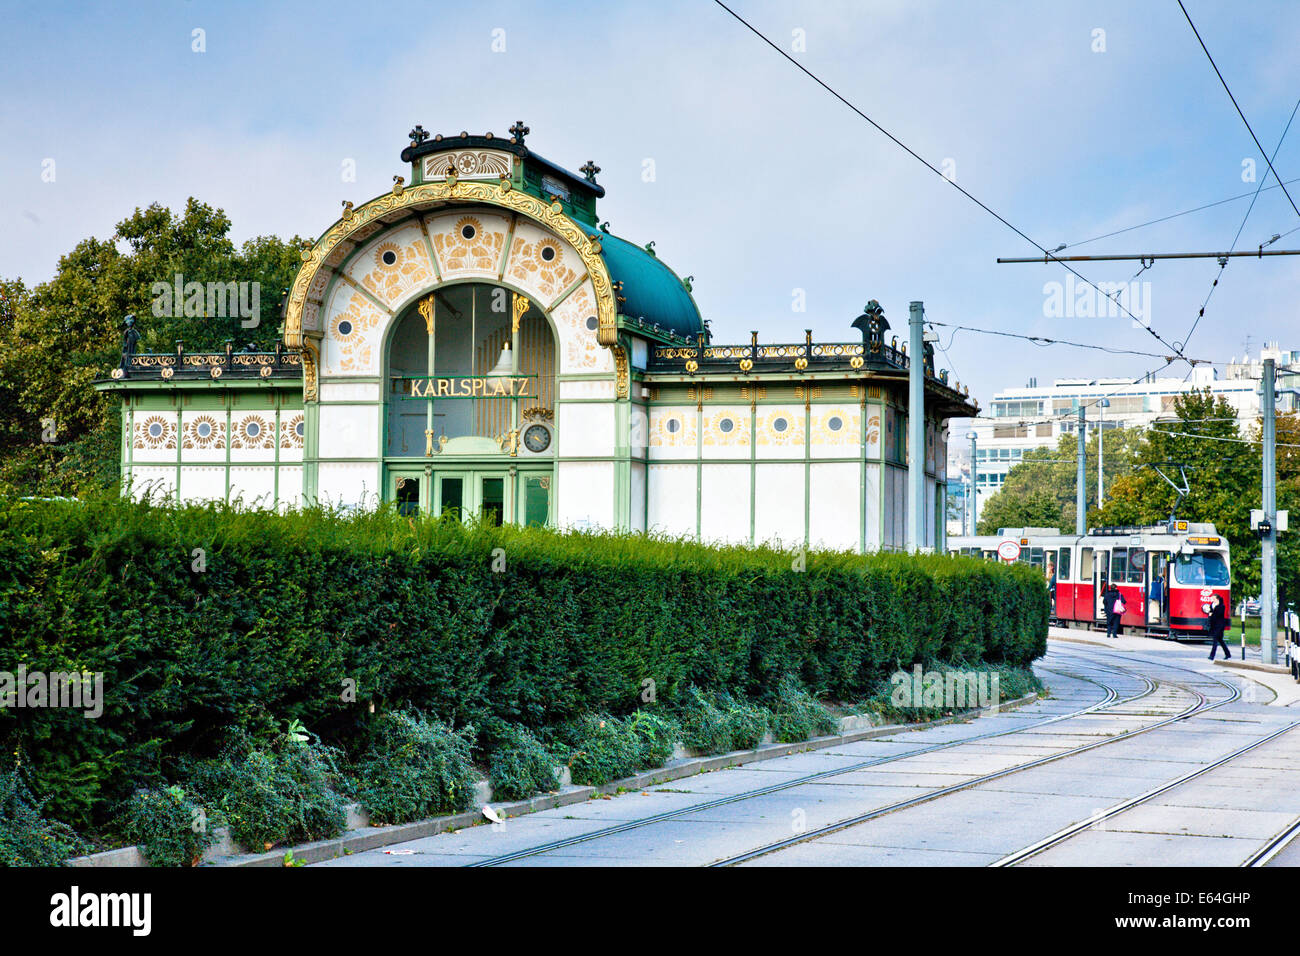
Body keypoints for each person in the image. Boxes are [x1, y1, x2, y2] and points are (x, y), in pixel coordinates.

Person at [1208, 593, 1231, 661]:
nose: (1213, 600)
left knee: (1215, 640)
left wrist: (1211, 615)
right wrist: (1210, 615)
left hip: (1220, 625)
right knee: (1220, 640)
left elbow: (1218, 615)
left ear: (1217, 599)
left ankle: (1212, 656)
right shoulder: (1212, 605)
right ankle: (1228, 654)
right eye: (1212, 599)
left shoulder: (1221, 606)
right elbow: (1210, 613)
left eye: (1214, 599)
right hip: (1214, 625)